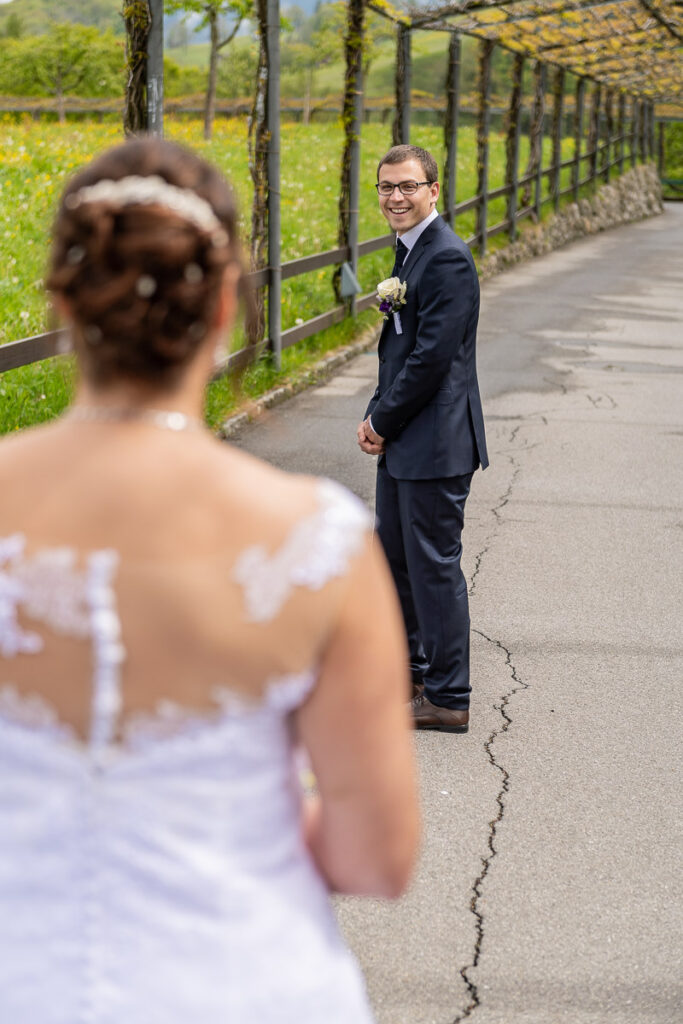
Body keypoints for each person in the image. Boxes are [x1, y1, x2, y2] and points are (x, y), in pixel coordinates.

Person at [0, 137, 418, 1023]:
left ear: (63, 300)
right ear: (229, 303)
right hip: (242, 985)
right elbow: (377, 858)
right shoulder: (317, 542)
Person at [357, 144, 488, 734]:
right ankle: (409, 674)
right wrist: (374, 412)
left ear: (434, 190)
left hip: (434, 442)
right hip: (407, 439)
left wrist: (383, 422)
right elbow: (399, 352)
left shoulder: (447, 258)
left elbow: (433, 359)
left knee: (433, 566)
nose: (395, 197)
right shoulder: (410, 253)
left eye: (407, 186)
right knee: (398, 563)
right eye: (386, 187)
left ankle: (448, 695)